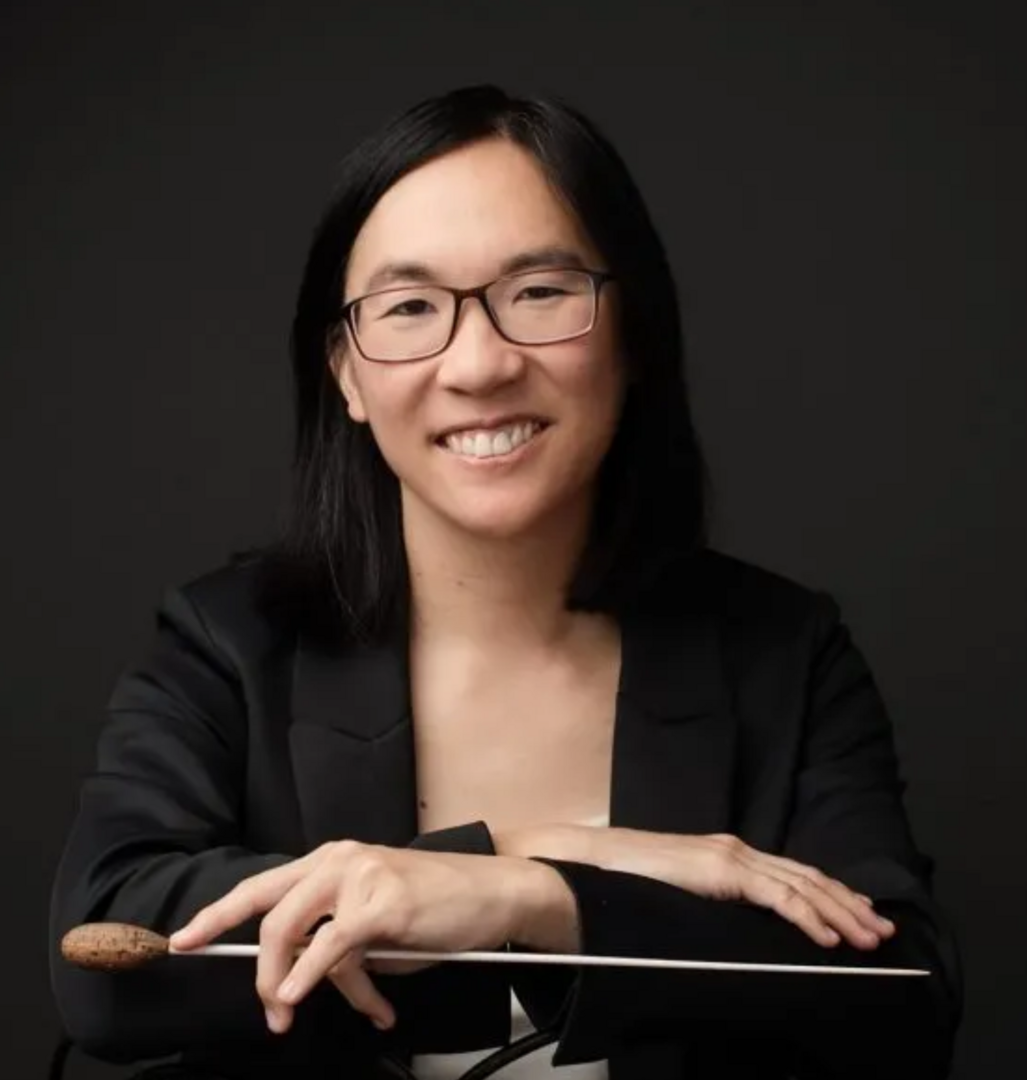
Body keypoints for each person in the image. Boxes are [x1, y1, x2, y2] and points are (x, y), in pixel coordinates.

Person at [49, 84, 962, 1080]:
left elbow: (903, 1001)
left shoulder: (781, 653)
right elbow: (103, 970)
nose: (479, 364)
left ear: (632, 332)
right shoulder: (228, 642)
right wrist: (513, 849)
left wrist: (542, 897)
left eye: (539, 292)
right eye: (410, 308)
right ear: (347, 374)